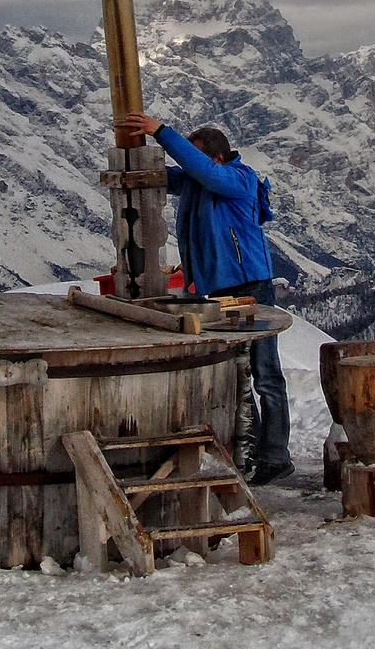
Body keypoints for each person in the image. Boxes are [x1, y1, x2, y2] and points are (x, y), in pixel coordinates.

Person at [121, 110, 291, 486]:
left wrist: (160, 132)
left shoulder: (237, 179)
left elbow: (203, 172)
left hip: (249, 289)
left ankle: (276, 455)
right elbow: (174, 175)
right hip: (224, 290)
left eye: (200, 158)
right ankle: (257, 449)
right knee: (237, 373)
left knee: (264, 374)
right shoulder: (206, 180)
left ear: (215, 157)